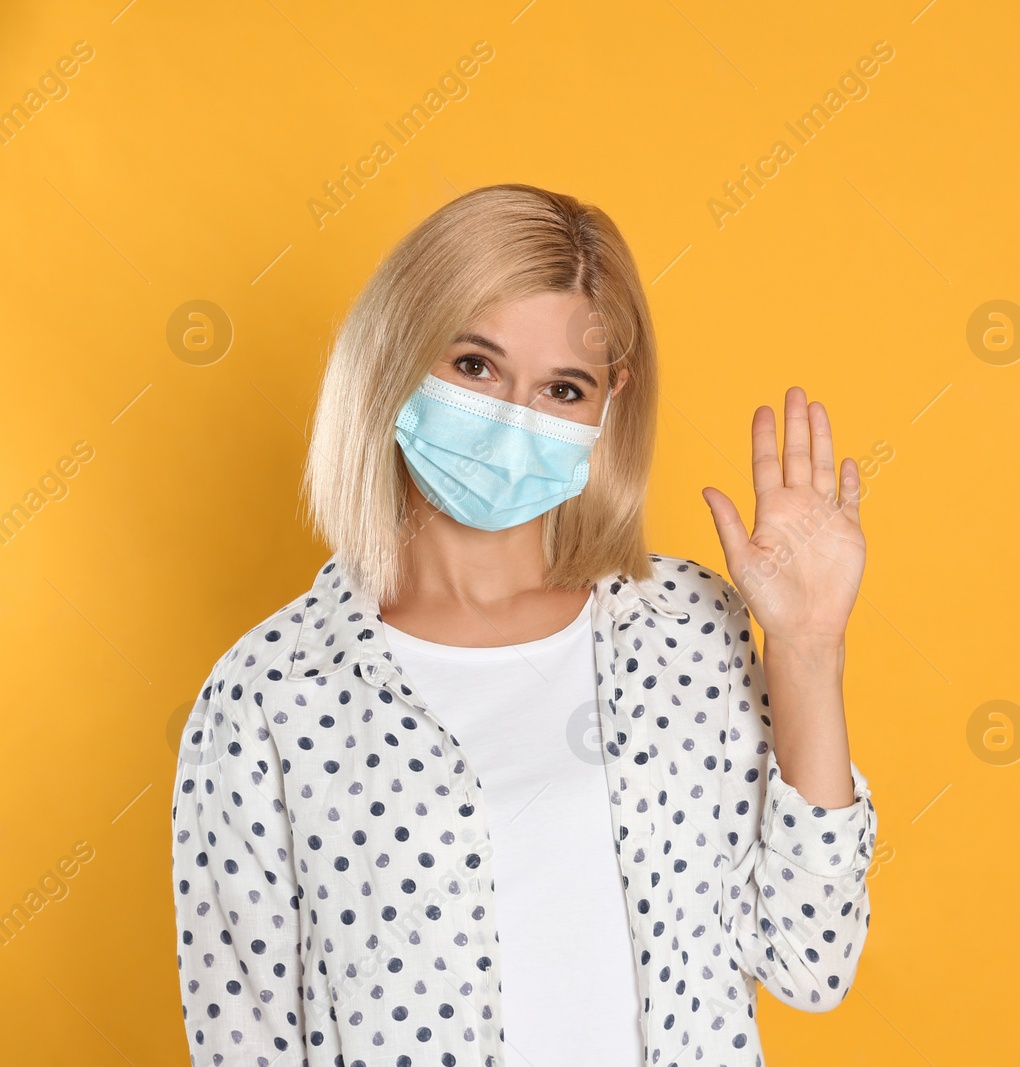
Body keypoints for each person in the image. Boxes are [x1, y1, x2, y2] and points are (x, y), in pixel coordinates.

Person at [169, 183, 878, 1066]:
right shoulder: (270, 692)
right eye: (474, 365)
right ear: (395, 355)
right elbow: (246, 1041)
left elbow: (810, 962)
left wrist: (807, 651)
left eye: (563, 388)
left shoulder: (690, 631)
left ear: (608, 405)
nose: (514, 417)